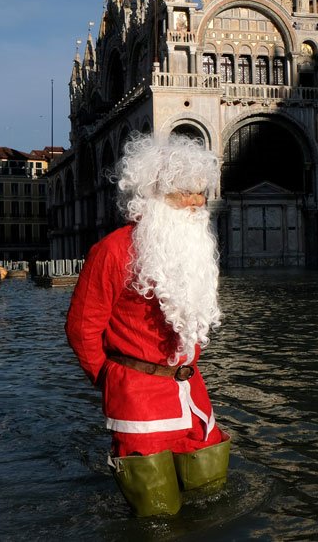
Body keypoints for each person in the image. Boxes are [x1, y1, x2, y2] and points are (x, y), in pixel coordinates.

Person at [66, 133, 229, 518]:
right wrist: (110, 379)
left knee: (213, 502)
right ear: (152, 196)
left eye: (200, 192)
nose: (196, 203)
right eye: (182, 193)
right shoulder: (112, 251)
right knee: (158, 518)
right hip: (138, 401)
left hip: (193, 397)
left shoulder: (195, 248)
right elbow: (82, 328)